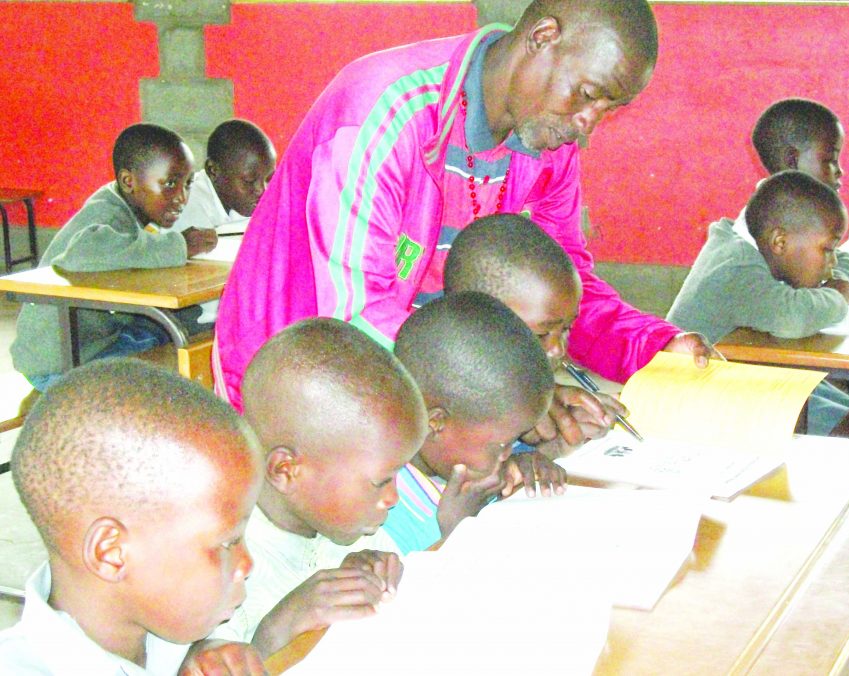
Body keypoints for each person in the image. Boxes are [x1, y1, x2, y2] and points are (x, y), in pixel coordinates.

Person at [212, 0, 714, 416]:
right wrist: (509, 399)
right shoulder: (388, 112)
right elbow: (354, 321)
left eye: (609, 108)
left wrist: (654, 347)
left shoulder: (550, 146)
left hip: (434, 391)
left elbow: (565, 291)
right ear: (542, 36)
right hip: (296, 389)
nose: (588, 125)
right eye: (586, 95)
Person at [0, 359, 264, 675]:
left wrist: (206, 648)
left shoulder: (172, 620)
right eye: (228, 542)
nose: (248, 564)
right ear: (112, 554)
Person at [209, 317, 427, 660]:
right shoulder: (216, 563)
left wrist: (374, 570)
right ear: (286, 471)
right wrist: (281, 625)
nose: (393, 498)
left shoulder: (350, 525)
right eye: (380, 481)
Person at [9, 123, 217, 391]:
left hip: (94, 343)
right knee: (179, 354)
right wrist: (180, 246)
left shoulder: (127, 206)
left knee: (187, 331)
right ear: (128, 181)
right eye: (169, 184)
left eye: (187, 184)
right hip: (63, 365)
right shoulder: (106, 214)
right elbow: (83, 252)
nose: (181, 197)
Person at [667, 171, 849, 435]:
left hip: (742, 378)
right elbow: (794, 317)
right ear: (779, 242)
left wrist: (843, 278)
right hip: (696, 402)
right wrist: (841, 292)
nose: (833, 263)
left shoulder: (759, 243)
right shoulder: (735, 265)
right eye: (827, 250)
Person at [385, 291, 559, 554]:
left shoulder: (463, 451)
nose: (507, 455)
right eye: (504, 444)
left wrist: (528, 458)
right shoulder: (380, 511)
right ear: (435, 424)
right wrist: (457, 530)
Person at [444, 212, 626, 457]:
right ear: (475, 326)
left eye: (566, 329)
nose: (558, 350)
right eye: (542, 334)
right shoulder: (442, 414)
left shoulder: (529, 393)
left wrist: (555, 446)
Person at [173, 119, 277, 234]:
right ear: (213, 170)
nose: (262, 190)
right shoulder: (184, 211)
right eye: (249, 181)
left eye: (269, 179)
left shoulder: (248, 203)